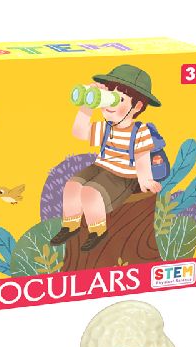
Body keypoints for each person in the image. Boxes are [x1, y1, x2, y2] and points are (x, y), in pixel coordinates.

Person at [50, 64, 162, 252]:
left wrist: (146, 180)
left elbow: (142, 157)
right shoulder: (106, 127)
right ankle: (70, 225)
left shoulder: (139, 131)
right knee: (72, 185)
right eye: (109, 95)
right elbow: (79, 132)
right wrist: (87, 105)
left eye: (119, 99)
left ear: (137, 106)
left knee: (90, 192)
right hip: (101, 166)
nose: (110, 104)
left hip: (123, 175)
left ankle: (97, 230)